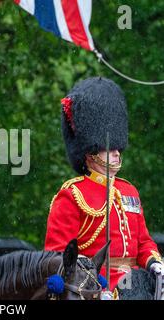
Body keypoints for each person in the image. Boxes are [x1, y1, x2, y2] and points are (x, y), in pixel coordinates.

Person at [44, 77, 164, 292]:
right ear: (90, 153)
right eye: (110, 148)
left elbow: (144, 243)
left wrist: (154, 263)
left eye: (118, 147)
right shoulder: (72, 194)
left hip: (138, 283)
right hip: (97, 286)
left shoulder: (129, 191)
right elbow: (59, 255)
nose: (117, 152)